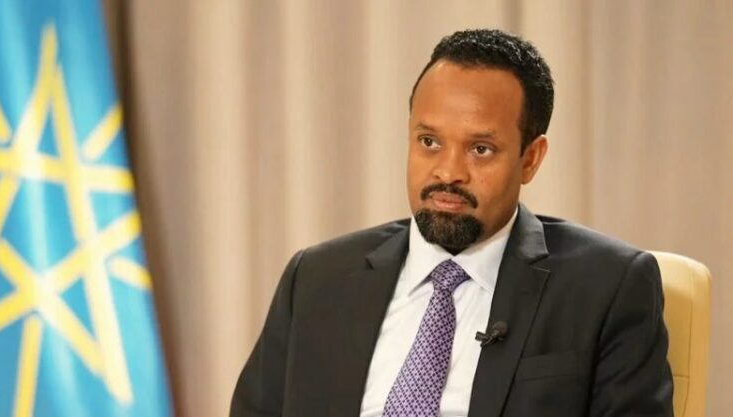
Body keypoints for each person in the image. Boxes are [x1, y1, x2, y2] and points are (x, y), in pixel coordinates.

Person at [230, 29, 673, 417]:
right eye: (429, 142)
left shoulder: (606, 287)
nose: (448, 172)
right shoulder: (316, 279)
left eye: (480, 149)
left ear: (530, 159)